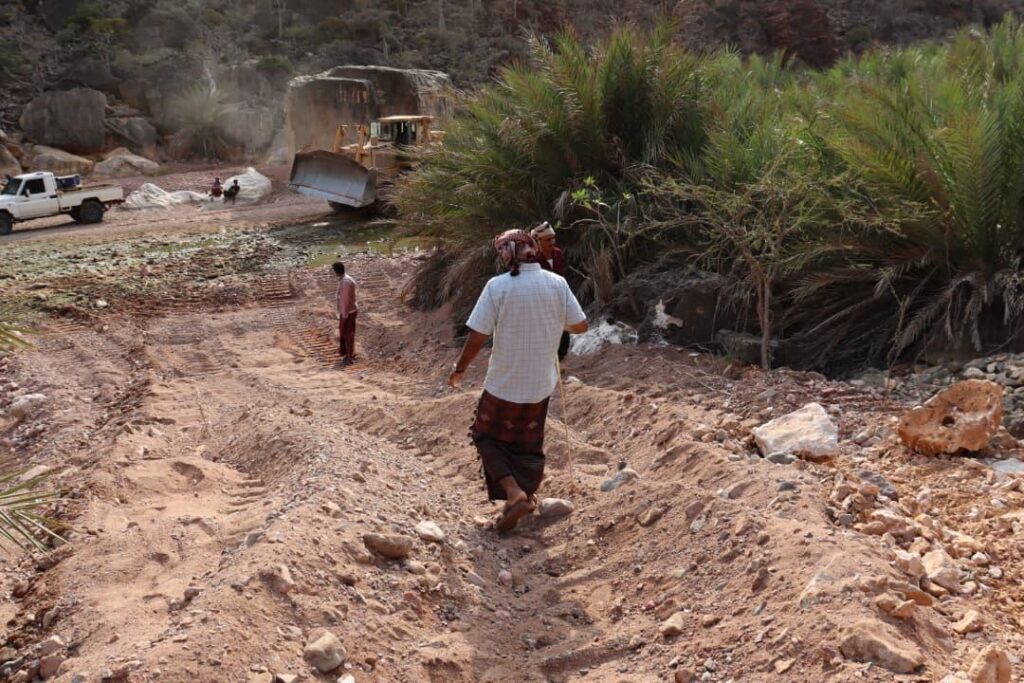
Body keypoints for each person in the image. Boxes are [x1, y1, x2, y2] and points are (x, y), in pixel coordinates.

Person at [449, 230, 588, 532]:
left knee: (485, 436)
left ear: (510, 253)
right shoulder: (557, 283)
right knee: (528, 443)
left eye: (501, 251)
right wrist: (552, 319)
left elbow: (478, 335)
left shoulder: (497, 287)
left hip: (505, 382)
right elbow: (580, 325)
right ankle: (528, 498)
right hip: (541, 383)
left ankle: (514, 493)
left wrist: (460, 368)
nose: (501, 257)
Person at [531, 221, 571, 361]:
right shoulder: (533, 259)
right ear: (538, 242)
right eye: (548, 240)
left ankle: (559, 361)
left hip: (558, 300)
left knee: (564, 335)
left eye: (553, 238)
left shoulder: (558, 254)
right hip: (540, 303)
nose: (552, 242)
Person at [333, 261, 357, 365]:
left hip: (348, 312)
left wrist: (345, 315)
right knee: (344, 334)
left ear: (337, 271)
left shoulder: (346, 282)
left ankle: (349, 357)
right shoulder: (344, 280)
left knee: (347, 334)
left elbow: (346, 300)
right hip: (346, 311)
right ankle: (346, 355)